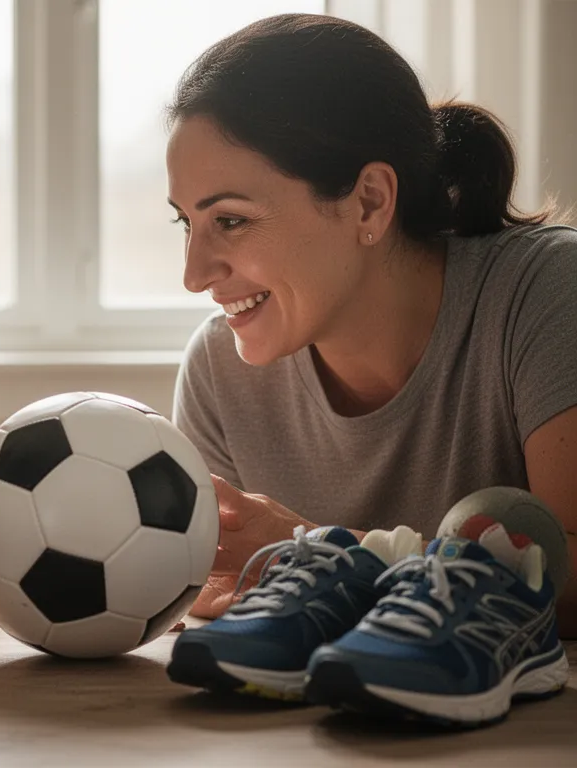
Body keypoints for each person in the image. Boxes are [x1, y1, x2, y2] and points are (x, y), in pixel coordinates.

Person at [165, 14, 577, 635]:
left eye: (230, 220)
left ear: (370, 202)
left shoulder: (544, 293)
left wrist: (320, 554)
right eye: (186, 223)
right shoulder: (217, 370)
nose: (194, 276)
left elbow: (569, 578)